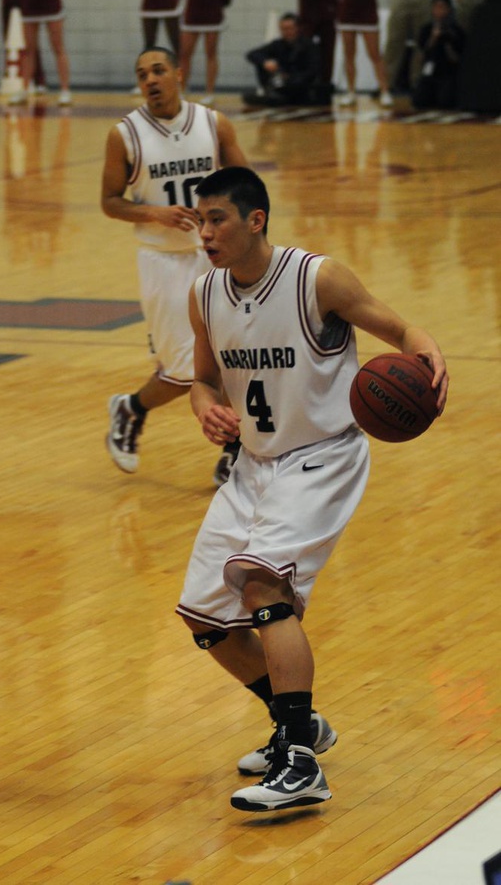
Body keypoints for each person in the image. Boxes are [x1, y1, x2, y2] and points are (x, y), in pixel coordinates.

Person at [177, 166, 448, 812]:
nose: (204, 232)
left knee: (263, 586)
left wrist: (426, 354)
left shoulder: (314, 278)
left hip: (322, 457)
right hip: (253, 465)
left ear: (255, 220)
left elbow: (399, 329)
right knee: (205, 619)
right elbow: (202, 379)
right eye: (199, 220)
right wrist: (203, 406)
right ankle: (298, 723)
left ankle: (300, 763)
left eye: (216, 219)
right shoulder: (204, 294)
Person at [101, 46, 247, 486]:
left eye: (158, 70)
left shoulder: (213, 123)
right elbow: (109, 202)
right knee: (186, 372)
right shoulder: (124, 134)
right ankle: (131, 407)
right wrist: (154, 213)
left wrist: (233, 223)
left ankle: (234, 451)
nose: (150, 80)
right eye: (142, 73)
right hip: (162, 261)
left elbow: (246, 185)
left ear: (179, 74)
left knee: (235, 358)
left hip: (215, 256)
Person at [244, 12, 323, 106]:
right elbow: (252, 54)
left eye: (290, 28)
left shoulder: (309, 46)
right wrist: (265, 62)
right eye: (284, 29)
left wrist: (290, 77)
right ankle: (274, 96)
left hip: (301, 86)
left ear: (297, 28)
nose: (287, 32)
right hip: (282, 85)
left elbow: (313, 70)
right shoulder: (278, 44)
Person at [412, 0, 465, 110]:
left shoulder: (457, 30)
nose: (439, 11)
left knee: (446, 101)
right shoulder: (426, 29)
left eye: (442, 7)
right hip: (430, 71)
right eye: (436, 7)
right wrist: (433, 38)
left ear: (449, 9)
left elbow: (457, 59)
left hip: (448, 73)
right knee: (419, 101)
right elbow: (421, 55)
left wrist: (448, 42)